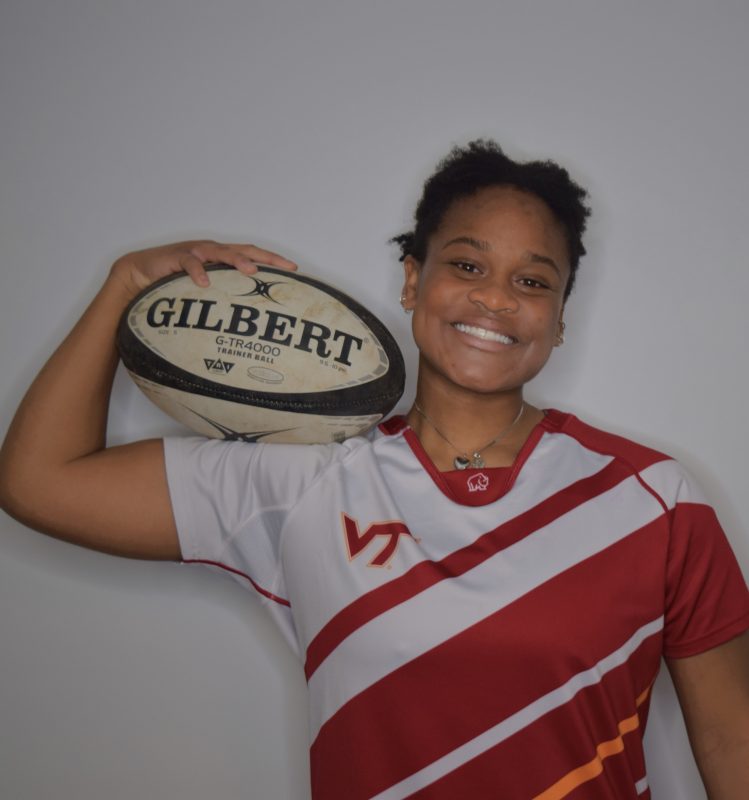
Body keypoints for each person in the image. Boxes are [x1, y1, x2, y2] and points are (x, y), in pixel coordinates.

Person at [1, 140, 748, 799]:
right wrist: (125, 282)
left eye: (531, 282)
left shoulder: (654, 499)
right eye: (466, 264)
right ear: (411, 281)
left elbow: (727, 739)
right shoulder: (301, 482)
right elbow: (39, 481)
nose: (493, 298)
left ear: (558, 318)